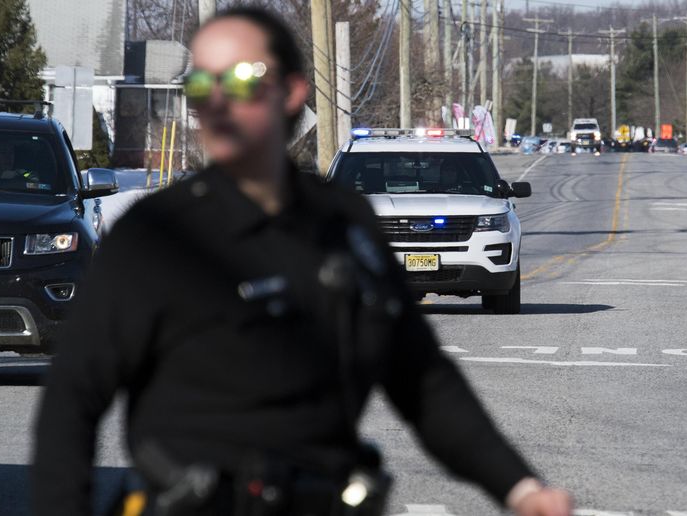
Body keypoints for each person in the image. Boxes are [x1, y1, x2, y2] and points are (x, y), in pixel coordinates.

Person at [31, 7, 573, 516]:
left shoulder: (346, 227)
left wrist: (521, 488)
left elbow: (423, 381)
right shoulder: (155, 234)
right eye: (200, 87)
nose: (217, 102)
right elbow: (72, 397)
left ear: (290, 93)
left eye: (241, 81)